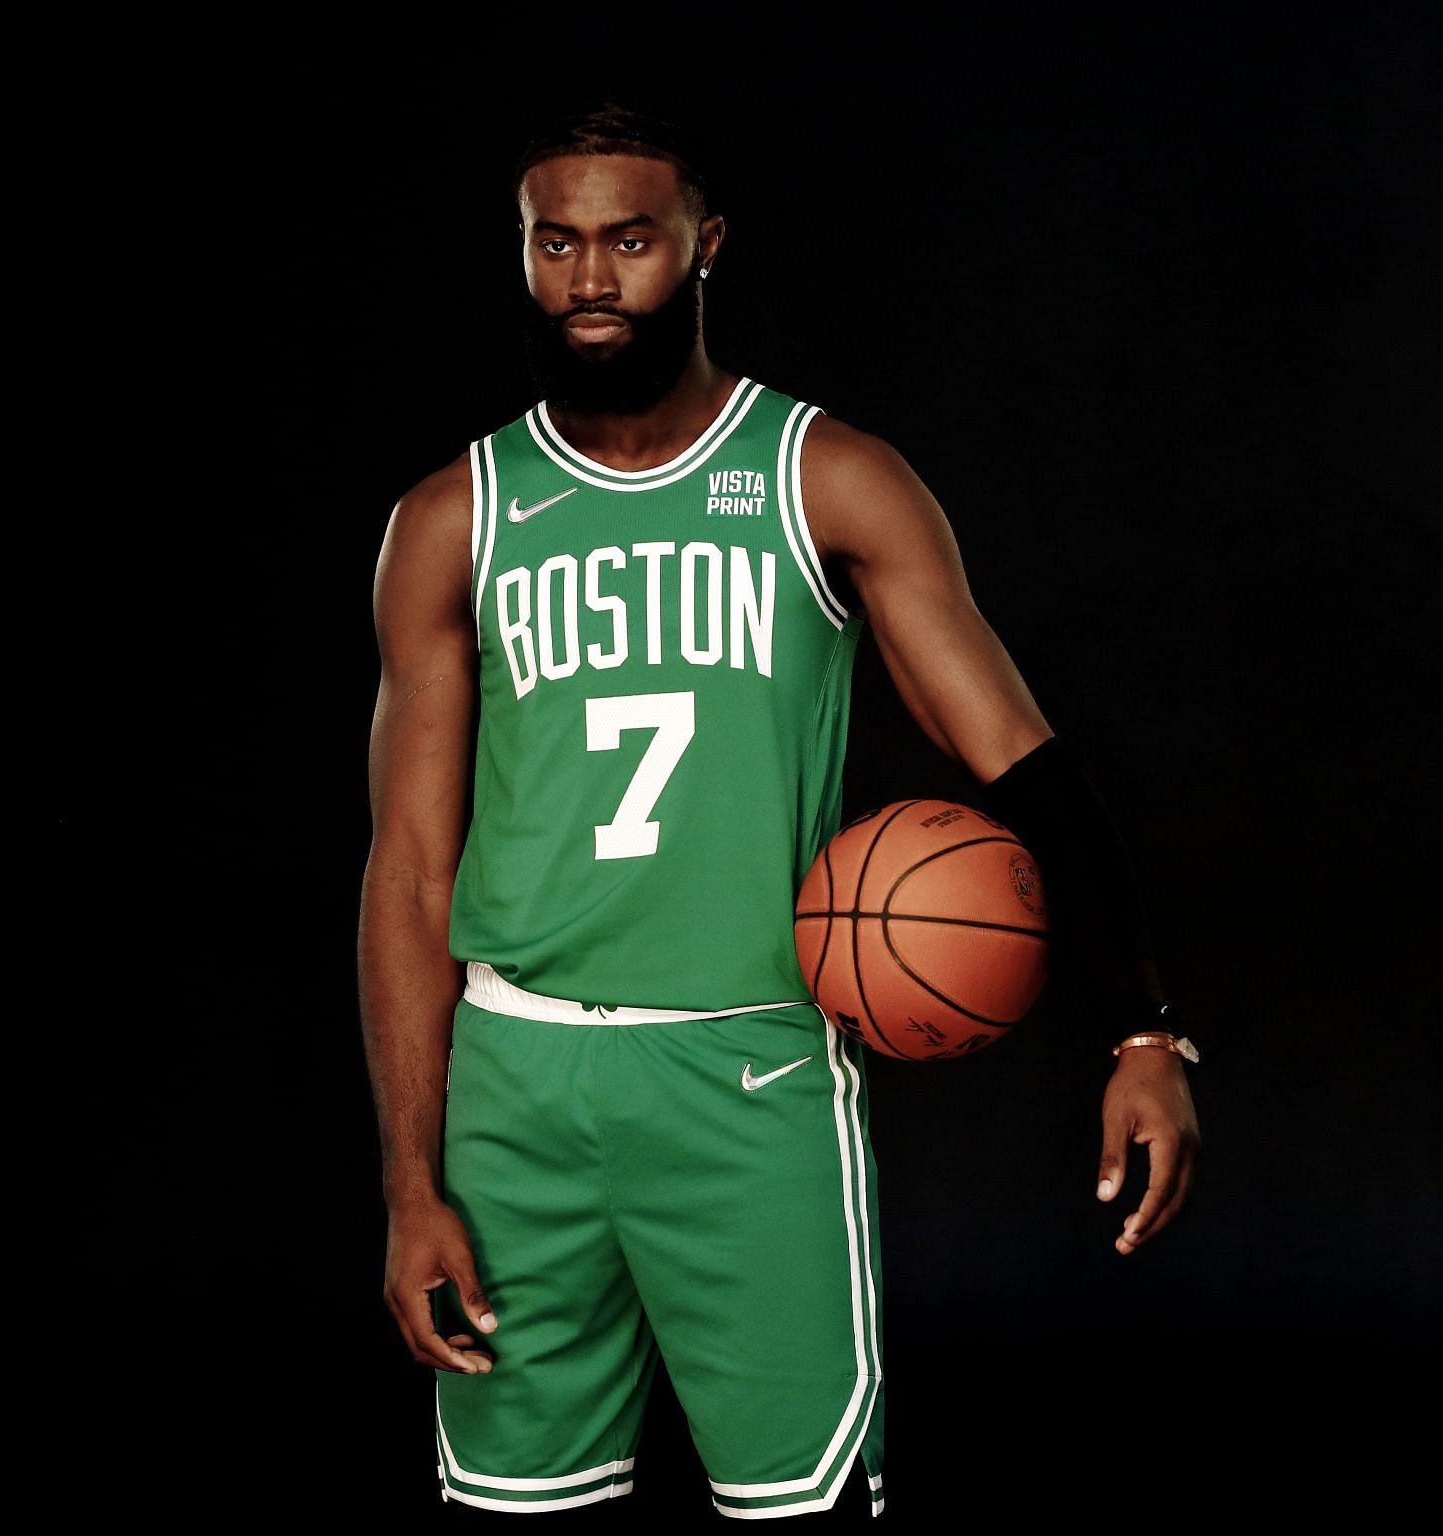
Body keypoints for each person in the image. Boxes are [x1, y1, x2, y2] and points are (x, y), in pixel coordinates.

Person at [358, 101, 1203, 1522]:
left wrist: (1142, 1025)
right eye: (554, 242)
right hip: (513, 1089)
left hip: (748, 1075)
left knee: (801, 1513)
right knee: (509, 1515)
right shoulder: (457, 518)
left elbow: (1021, 762)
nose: (589, 279)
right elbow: (408, 876)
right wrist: (406, 1182)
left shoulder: (825, 480)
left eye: (629, 239)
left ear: (704, 245)